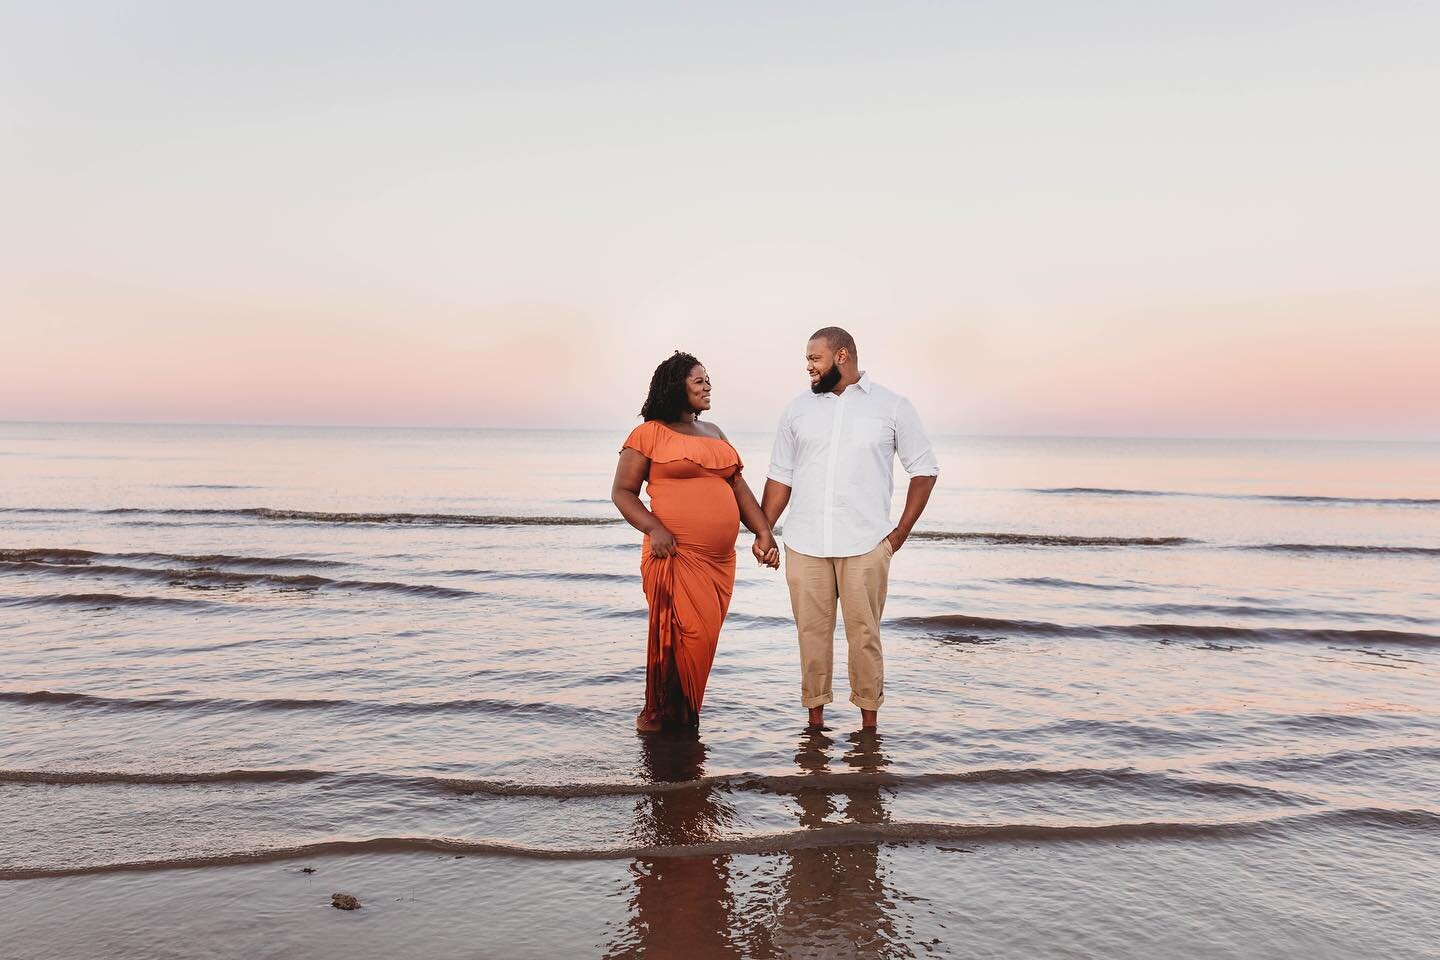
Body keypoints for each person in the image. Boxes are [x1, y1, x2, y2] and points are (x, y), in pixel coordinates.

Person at [761, 327, 938, 730]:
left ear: (842, 356)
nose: (808, 366)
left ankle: (869, 729)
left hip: (865, 543)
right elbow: (780, 476)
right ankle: (815, 725)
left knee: (864, 639)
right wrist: (764, 530)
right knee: (811, 638)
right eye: (807, 359)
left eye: (814, 358)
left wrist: (899, 534)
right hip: (805, 543)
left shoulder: (893, 406)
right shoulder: (797, 410)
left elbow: (924, 469)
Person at [612, 351, 780, 732]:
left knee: (701, 645)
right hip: (674, 556)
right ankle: (663, 729)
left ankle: (685, 722)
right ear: (676, 387)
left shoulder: (715, 433)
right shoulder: (648, 434)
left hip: (718, 563)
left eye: (708, 381)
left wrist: (764, 532)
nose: (708, 387)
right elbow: (623, 492)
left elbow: (738, 487)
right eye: (699, 381)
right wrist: (654, 528)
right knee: (678, 643)